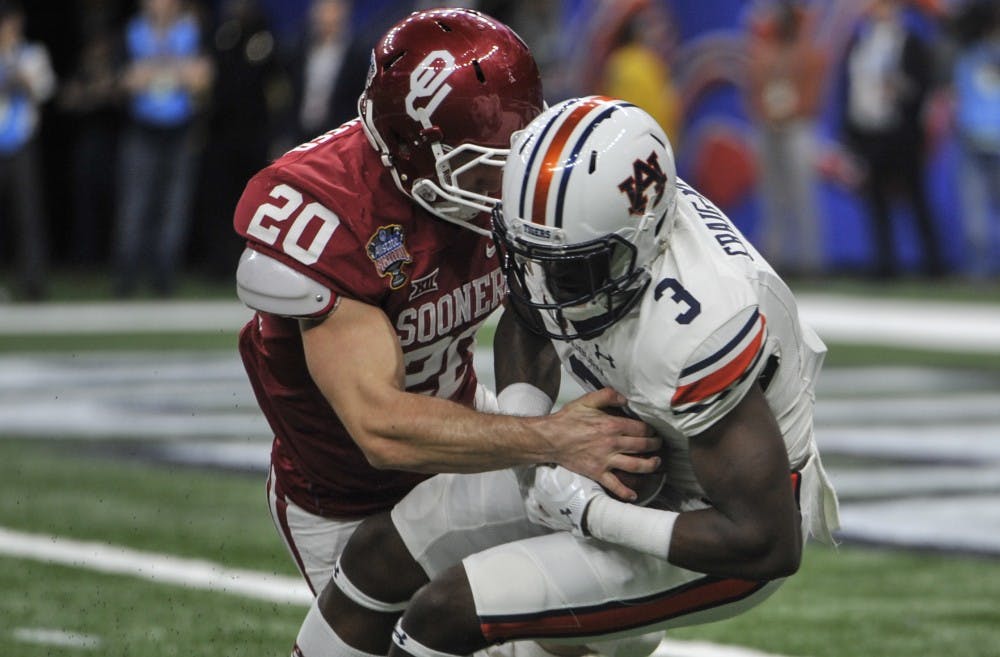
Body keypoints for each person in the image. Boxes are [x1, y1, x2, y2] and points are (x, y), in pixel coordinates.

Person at [315, 96, 842, 657]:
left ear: (646, 240)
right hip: (634, 450)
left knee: (446, 612)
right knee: (380, 552)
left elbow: (767, 542)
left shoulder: (698, 327)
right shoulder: (577, 231)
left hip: (716, 522)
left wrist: (594, 514)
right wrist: (528, 452)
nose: (550, 279)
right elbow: (530, 306)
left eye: (574, 267)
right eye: (535, 254)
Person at [231, 10, 659, 655]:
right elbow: (380, 428)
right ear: (409, 149)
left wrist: (527, 416)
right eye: (481, 172)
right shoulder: (330, 213)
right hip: (350, 498)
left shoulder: (491, 183)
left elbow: (527, 308)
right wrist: (547, 439)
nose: (501, 192)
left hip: (467, 429)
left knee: (616, 623)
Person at [113, 0, 213, 297]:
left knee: (174, 206)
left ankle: (164, 276)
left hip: (180, 129)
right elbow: (124, 80)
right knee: (135, 204)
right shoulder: (133, 31)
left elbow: (203, 79)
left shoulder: (191, 30)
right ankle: (126, 276)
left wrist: (154, 72)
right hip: (143, 128)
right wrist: (178, 72)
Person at [838, 0, 945, 279]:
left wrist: (899, 89)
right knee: (875, 200)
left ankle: (933, 264)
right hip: (870, 132)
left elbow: (923, 86)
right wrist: (852, 128)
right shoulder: (862, 41)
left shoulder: (910, 42)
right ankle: (884, 263)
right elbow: (851, 86)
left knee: (916, 198)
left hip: (901, 132)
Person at [745, 0, 827, 277]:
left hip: (798, 128)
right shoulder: (764, 51)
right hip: (767, 128)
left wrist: (792, 112)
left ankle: (810, 263)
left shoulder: (807, 52)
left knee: (803, 197)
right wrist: (767, 113)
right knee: (771, 198)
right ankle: (775, 261)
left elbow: (813, 95)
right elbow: (754, 90)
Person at [0, 0, 56, 301]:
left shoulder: (31, 54)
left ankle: (33, 282)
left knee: (28, 216)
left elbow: (44, 89)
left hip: (21, 143)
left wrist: (19, 75)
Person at [950, 0, 1000, 279]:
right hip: (973, 139)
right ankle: (979, 272)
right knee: (975, 217)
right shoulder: (969, 55)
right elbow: (961, 95)